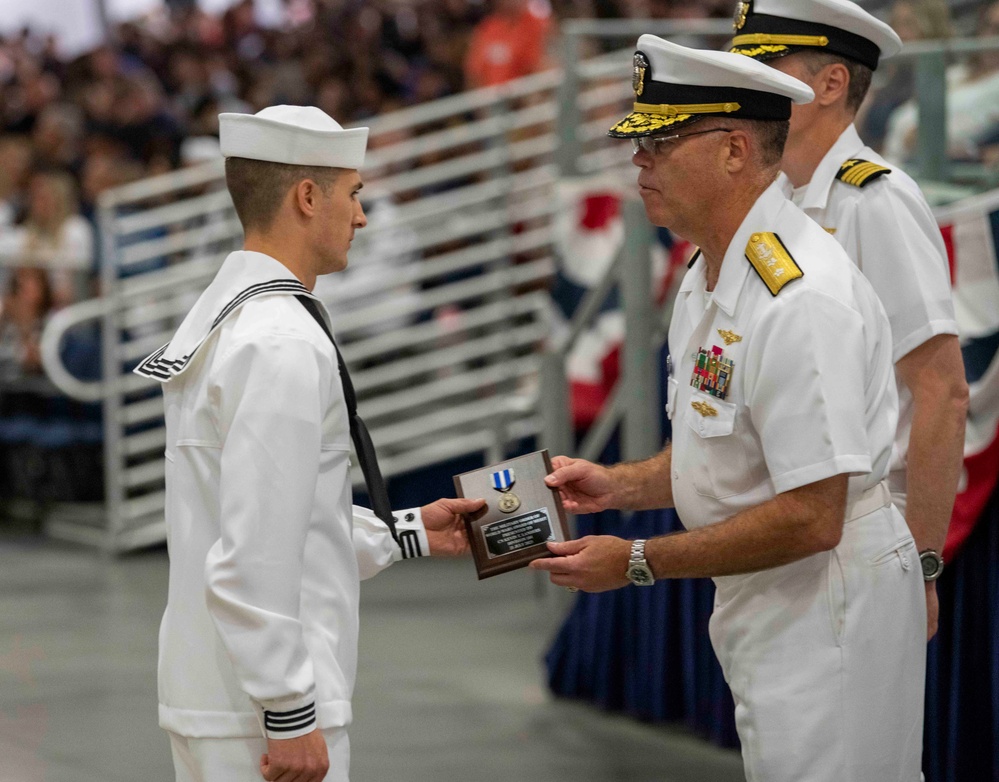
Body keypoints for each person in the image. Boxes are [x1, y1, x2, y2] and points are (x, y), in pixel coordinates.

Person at [531, 35, 925, 781]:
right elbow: (730, 444)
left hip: (824, 593)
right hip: (771, 592)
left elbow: (813, 513)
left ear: (735, 152)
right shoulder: (709, 270)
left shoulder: (800, 298)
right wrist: (621, 486)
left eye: (659, 144)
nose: (637, 164)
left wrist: (639, 561)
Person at [134, 105, 484, 782]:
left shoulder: (235, 316)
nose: (360, 216)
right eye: (353, 194)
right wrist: (290, 708)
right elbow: (256, 545)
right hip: (259, 706)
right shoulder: (281, 341)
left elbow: (263, 511)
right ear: (305, 197)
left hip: (221, 689)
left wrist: (405, 530)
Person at [729, 0, 969, 639]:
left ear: (832, 85)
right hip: (779, 521)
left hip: (861, 529)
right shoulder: (774, 199)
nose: (750, 85)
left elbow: (943, 392)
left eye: (770, 68)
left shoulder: (877, 200)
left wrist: (918, 564)